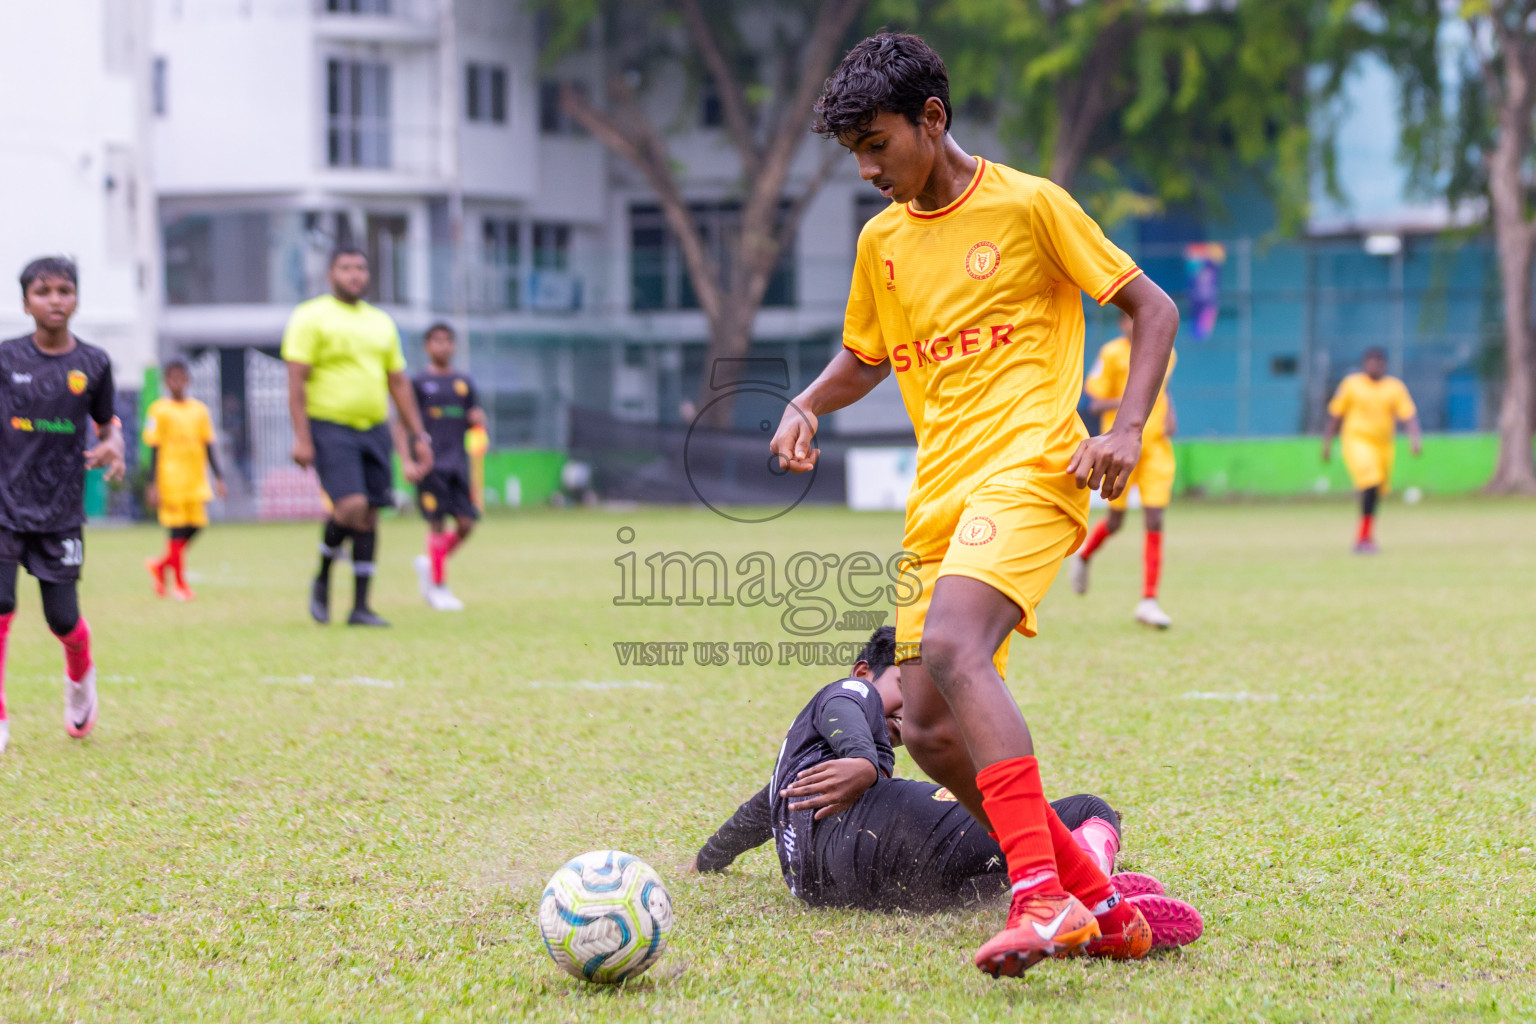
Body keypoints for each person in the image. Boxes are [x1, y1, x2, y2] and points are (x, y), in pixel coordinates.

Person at [770, 33, 1179, 976]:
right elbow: (868, 356)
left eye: (878, 145)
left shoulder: (1031, 205)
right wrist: (804, 402)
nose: (868, 169)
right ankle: (1099, 901)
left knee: (955, 647)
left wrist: (1121, 427)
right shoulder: (882, 243)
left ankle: (1038, 899)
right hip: (938, 496)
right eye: (854, 154)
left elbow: (1149, 308)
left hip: (1034, 468)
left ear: (933, 120)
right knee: (927, 727)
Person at [689, 628, 1205, 951]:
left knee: (991, 870)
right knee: (1086, 809)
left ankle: (1068, 893)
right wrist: (865, 764)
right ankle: (1094, 891)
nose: (910, 713)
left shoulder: (797, 766)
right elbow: (845, 706)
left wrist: (709, 859)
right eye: (905, 690)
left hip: (834, 885)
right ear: (865, 670)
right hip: (864, 837)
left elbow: (758, 811)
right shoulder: (850, 694)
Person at [0, 257, 127, 753]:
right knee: (1, 604)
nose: (55, 300)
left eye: (65, 290)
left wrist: (114, 441)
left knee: (62, 619)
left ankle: (80, 678)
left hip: (60, 509)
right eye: (44, 291)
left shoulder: (94, 363)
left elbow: (107, 420)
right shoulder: (7, 359)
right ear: (25, 301)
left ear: (76, 298)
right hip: (5, 503)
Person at [282, 247, 433, 626]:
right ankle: (322, 576)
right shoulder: (310, 316)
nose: (354, 275)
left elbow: (397, 381)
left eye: (361, 268)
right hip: (330, 426)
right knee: (349, 506)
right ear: (331, 273)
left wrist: (419, 436)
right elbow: (296, 381)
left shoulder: (381, 322)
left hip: (374, 428)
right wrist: (301, 437)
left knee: (369, 514)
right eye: (346, 268)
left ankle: (360, 607)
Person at [1071, 312, 1179, 628]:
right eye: (1131, 319)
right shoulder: (1111, 354)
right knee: (1116, 522)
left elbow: (1163, 387)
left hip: (1155, 446)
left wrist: (1169, 410)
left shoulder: (1165, 351)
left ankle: (1149, 600)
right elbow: (1095, 403)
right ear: (1122, 324)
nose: (1137, 324)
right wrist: (1133, 399)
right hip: (1120, 449)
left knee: (1155, 517)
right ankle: (1085, 555)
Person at [395, 323, 486, 612]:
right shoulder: (418, 384)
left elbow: (475, 420)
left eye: (448, 341)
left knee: (466, 524)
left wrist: (478, 423)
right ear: (427, 346)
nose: (443, 346)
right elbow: (401, 423)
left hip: (458, 463)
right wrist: (407, 460)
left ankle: (432, 563)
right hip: (430, 464)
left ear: (454, 346)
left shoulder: (464, 384)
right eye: (437, 341)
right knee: (437, 523)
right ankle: (438, 586)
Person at [1322, 347, 1421, 554]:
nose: (1374, 366)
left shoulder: (1394, 387)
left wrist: (1415, 439)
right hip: (1357, 441)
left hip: (1384, 446)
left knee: (1376, 491)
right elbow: (1336, 414)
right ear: (1364, 364)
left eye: (1378, 362)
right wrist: (1327, 443)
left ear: (1384, 365)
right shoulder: (1351, 385)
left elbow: (1408, 414)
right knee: (1371, 482)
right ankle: (1363, 539)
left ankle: (1366, 536)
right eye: (1371, 362)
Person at [143, 360, 227, 600]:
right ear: (166, 382)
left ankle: (160, 566)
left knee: (197, 526)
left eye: (181, 378)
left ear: (187, 380)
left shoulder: (199, 410)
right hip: (170, 481)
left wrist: (219, 477)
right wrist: (153, 484)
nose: (177, 383)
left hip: (195, 479)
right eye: (172, 378)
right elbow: (154, 450)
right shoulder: (158, 410)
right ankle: (180, 585)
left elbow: (208, 445)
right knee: (177, 531)